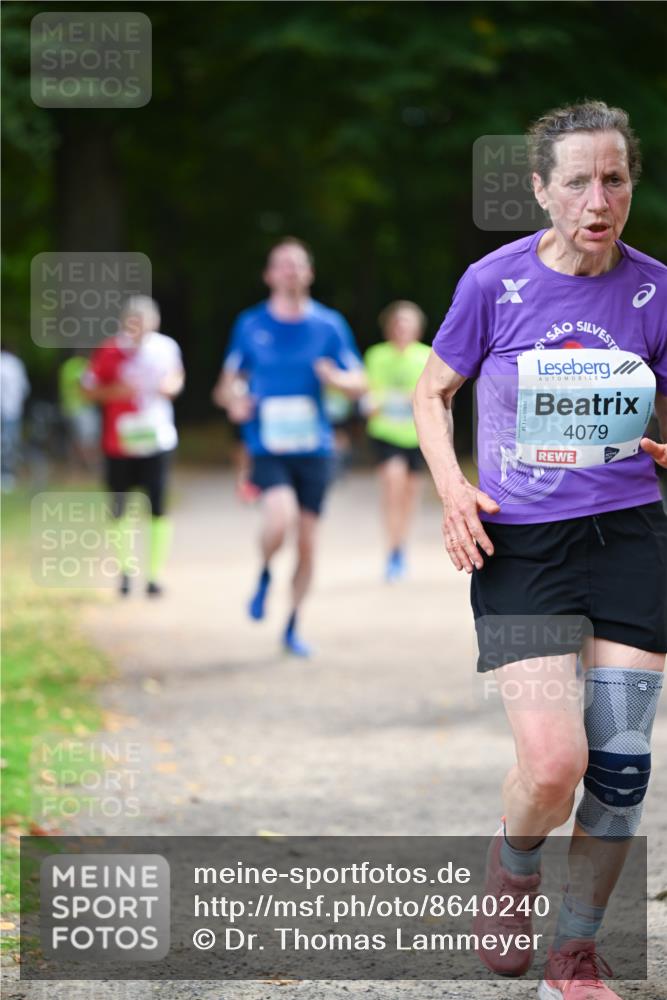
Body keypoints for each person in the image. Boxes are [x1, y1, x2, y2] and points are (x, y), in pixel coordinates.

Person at [414, 101, 666, 1000]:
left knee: (623, 762)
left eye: (614, 180)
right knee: (555, 764)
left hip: (631, 536)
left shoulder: (655, 288)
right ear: (539, 189)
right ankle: (513, 862)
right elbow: (431, 393)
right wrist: (451, 488)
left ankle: (576, 950)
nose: (598, 200)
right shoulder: (494, 283)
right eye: (577, 181)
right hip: (523, 547)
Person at [212, 237, 366, 657]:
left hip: (314, 446)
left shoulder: (329, 325)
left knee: (308, 544)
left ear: (309, 274)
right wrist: (234, 401)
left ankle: (293, 625)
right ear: (269, 275)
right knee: (278, 519)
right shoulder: (250, 324)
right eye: (282, 265)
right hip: (267, 443)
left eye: (298, 265)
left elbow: (359, 382)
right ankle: (264, 571)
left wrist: (336, 379)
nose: (291, 272)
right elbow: (225, 386)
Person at [82, 296, 184, 596]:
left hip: (157, 438)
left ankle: (154, 575)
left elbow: (177, 377)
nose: (138, 328)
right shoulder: (110, 350)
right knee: (119, 507)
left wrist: (172, 387)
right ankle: (125, 571)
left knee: (158, 505)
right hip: (119, 441)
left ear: (155, 322)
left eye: (145, 322)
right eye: (133, 321)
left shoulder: (166, 348)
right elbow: (88, 389)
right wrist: (115, 391)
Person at [364, 300, 430, 581]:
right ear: (389, 327)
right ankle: (392, 549)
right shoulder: (376, 355)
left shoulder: (427, 355)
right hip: (386, 432)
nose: (402, 327)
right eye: (398, 322)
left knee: (409, 494)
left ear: (417, 328)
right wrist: (371, 402)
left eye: (408, 322)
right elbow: (370, 391)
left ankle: (401, 543)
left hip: (418, 435)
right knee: (393, 484)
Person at [58, 351, 100, 473]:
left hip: (70, 407)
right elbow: (85, 386)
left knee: (75, 439)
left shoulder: (67, 365)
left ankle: (76, 467)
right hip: (81, 408)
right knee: (86, 440)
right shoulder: (82, 366)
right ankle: (91, 466)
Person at [0, 345, 30, 491]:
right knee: (9, 444)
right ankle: (7, 475)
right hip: (12, 410)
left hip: (8, 409)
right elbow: (24, 389)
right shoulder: (16, 364)